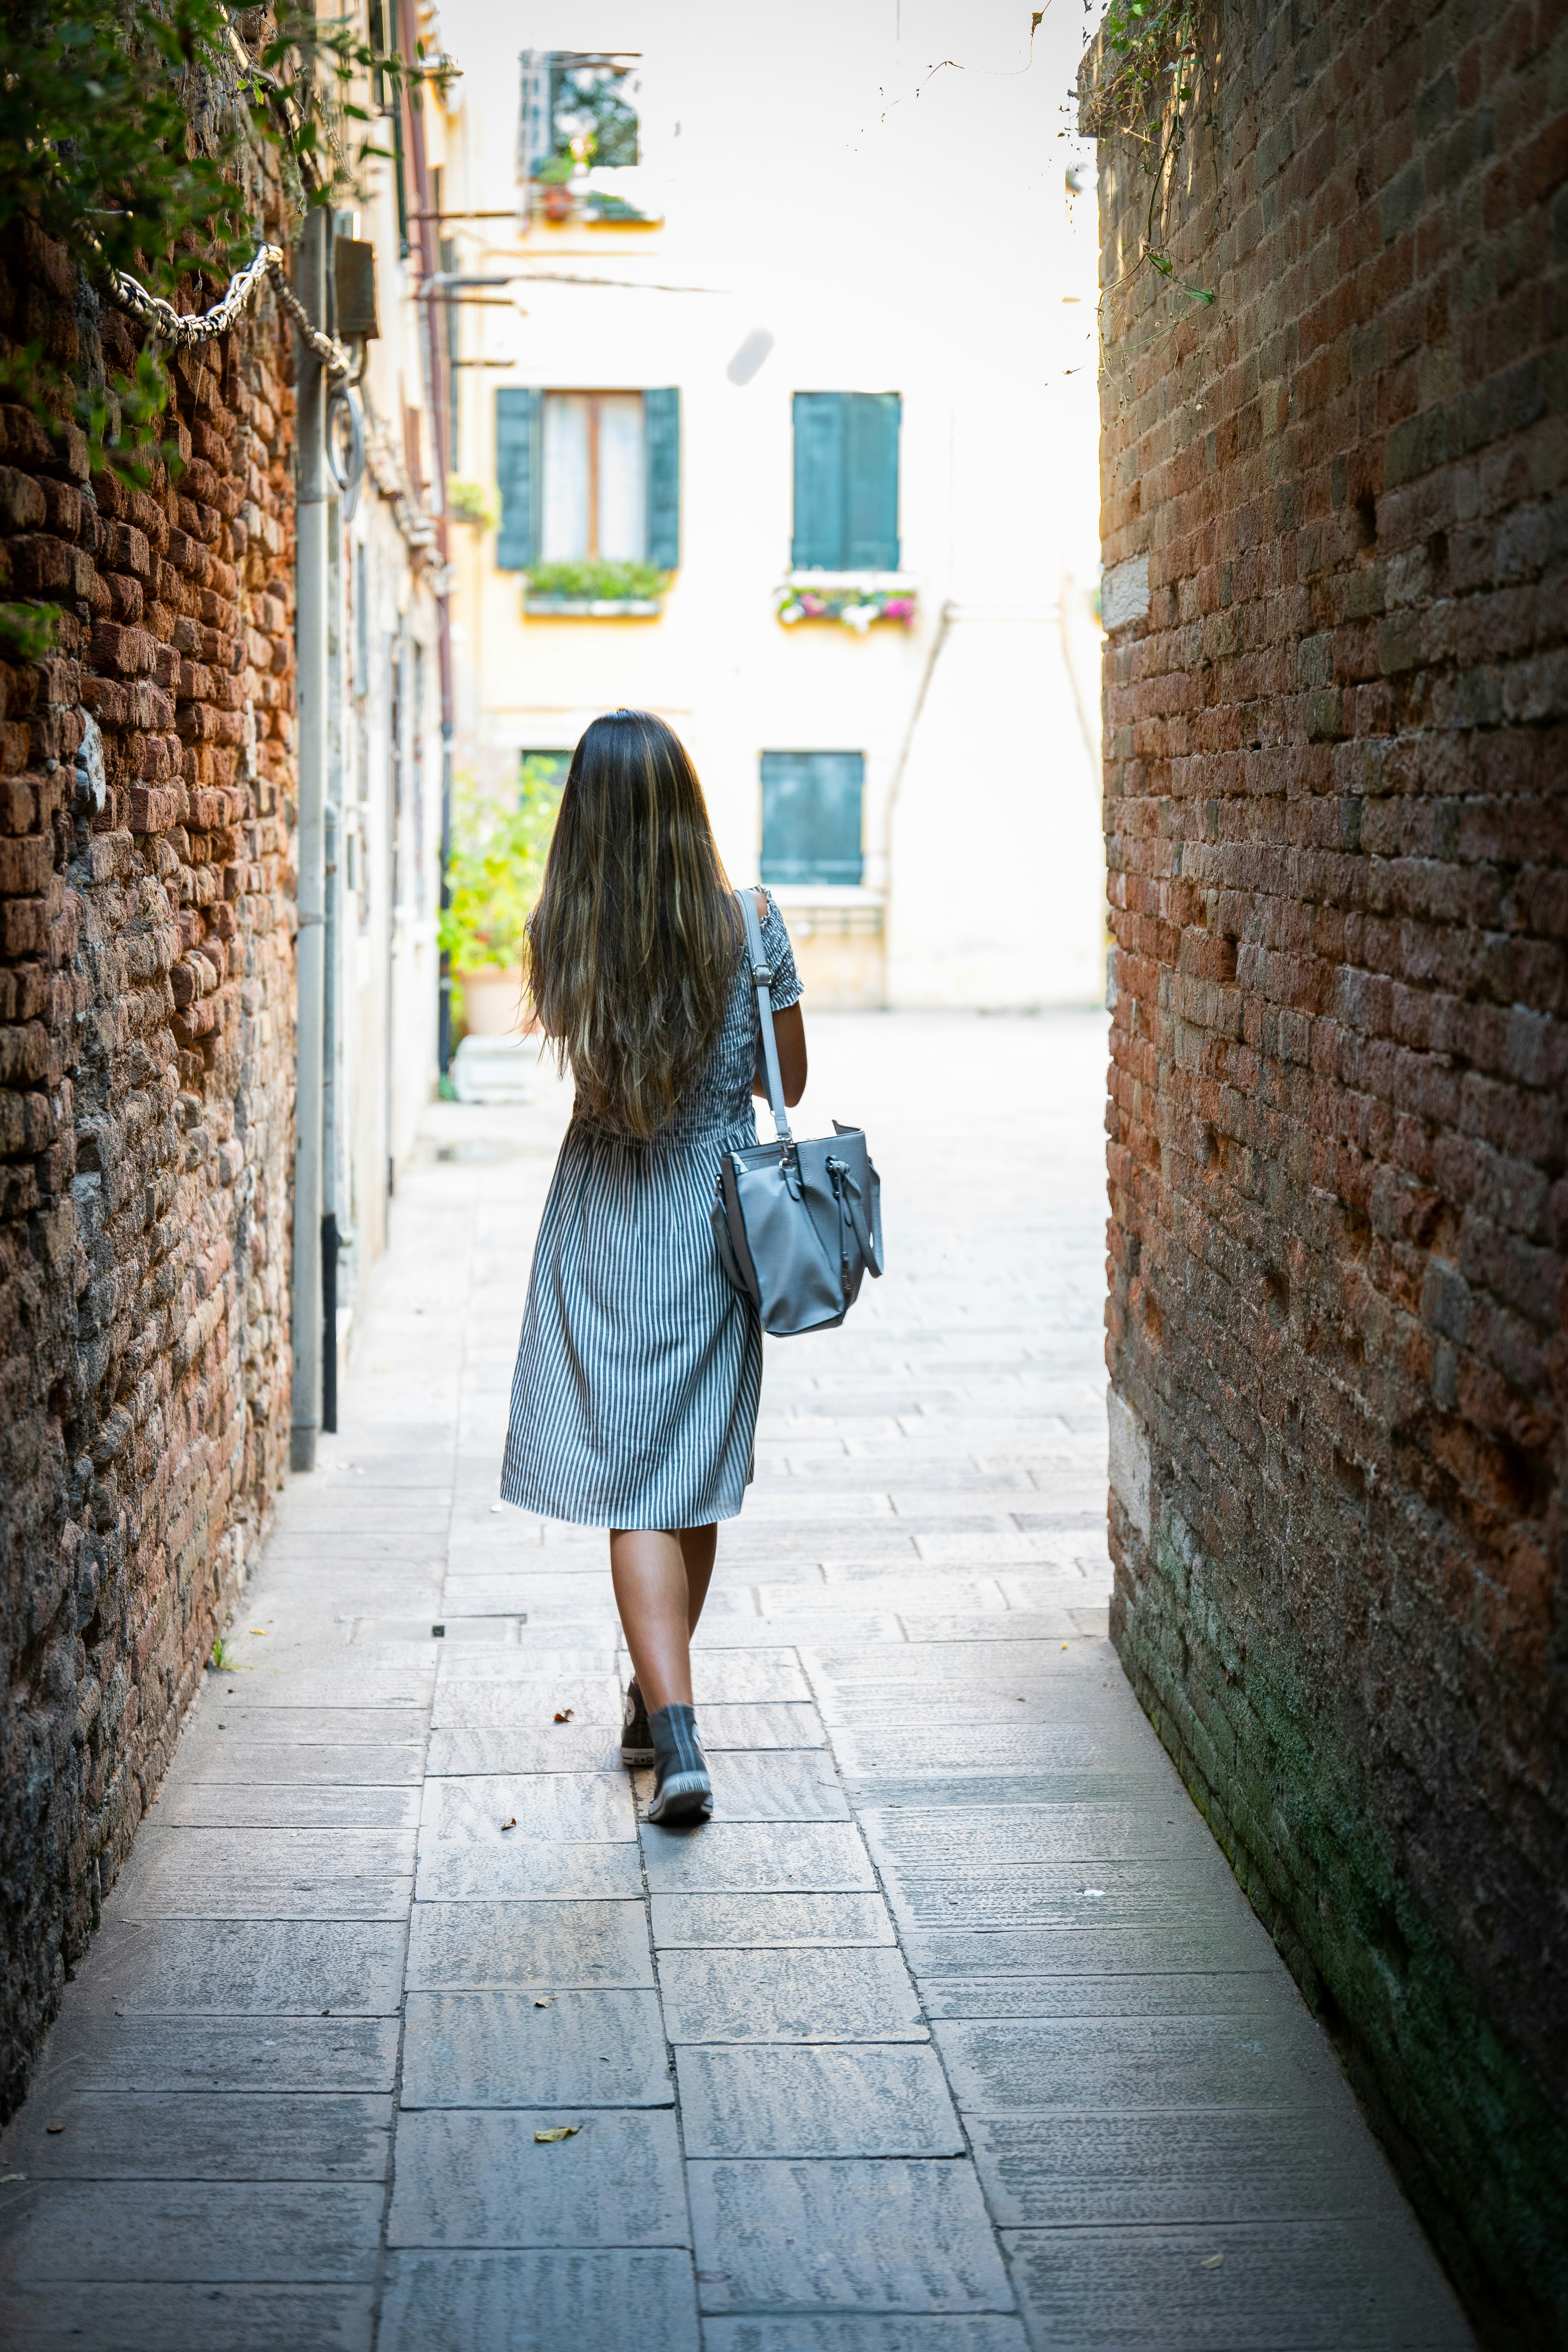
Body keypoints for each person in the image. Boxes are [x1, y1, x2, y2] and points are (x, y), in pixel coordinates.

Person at [501, 709, 807, 1823]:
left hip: (606, 1219)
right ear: (686, 807)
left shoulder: (562, 932)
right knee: (689, 1478)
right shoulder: (753, 923)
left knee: (638, 1481)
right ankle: (664, 1712)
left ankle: (665, 1726)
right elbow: (793, 1085)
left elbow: (589, 1068)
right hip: (715, 1223)